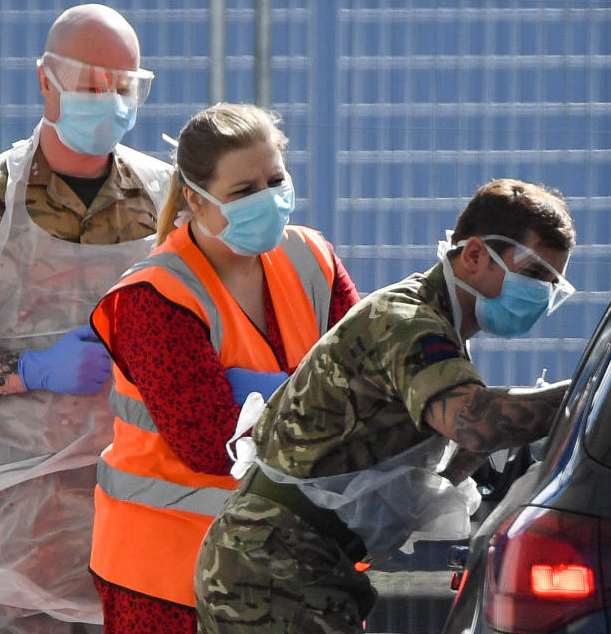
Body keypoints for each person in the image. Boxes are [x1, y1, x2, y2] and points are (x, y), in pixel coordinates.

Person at [0, 4, 172, 634]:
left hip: (141, 514)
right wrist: (33, 369)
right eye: (92, 83)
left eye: (124, 85)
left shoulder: (166, 201)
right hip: (21, 532)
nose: (109, 99)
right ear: (46, 79)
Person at [194, 177, 578, 634]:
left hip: (296, 561)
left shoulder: (441, 333)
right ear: (474, 255)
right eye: (533, 274)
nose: (542, 294)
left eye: (552, 283)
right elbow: (477, 425)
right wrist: (592, 387)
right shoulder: (408, 322)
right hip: (273, 567)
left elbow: (442, 451)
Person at [86, 102, 361, 634]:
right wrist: (329, 413)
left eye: (276, 179)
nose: (269, 198)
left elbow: (366, 379)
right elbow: (212, 444)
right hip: (169, 575)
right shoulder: (153, 296)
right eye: (244, 191)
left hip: (297, 562)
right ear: (195, 197)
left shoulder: (313, 257)